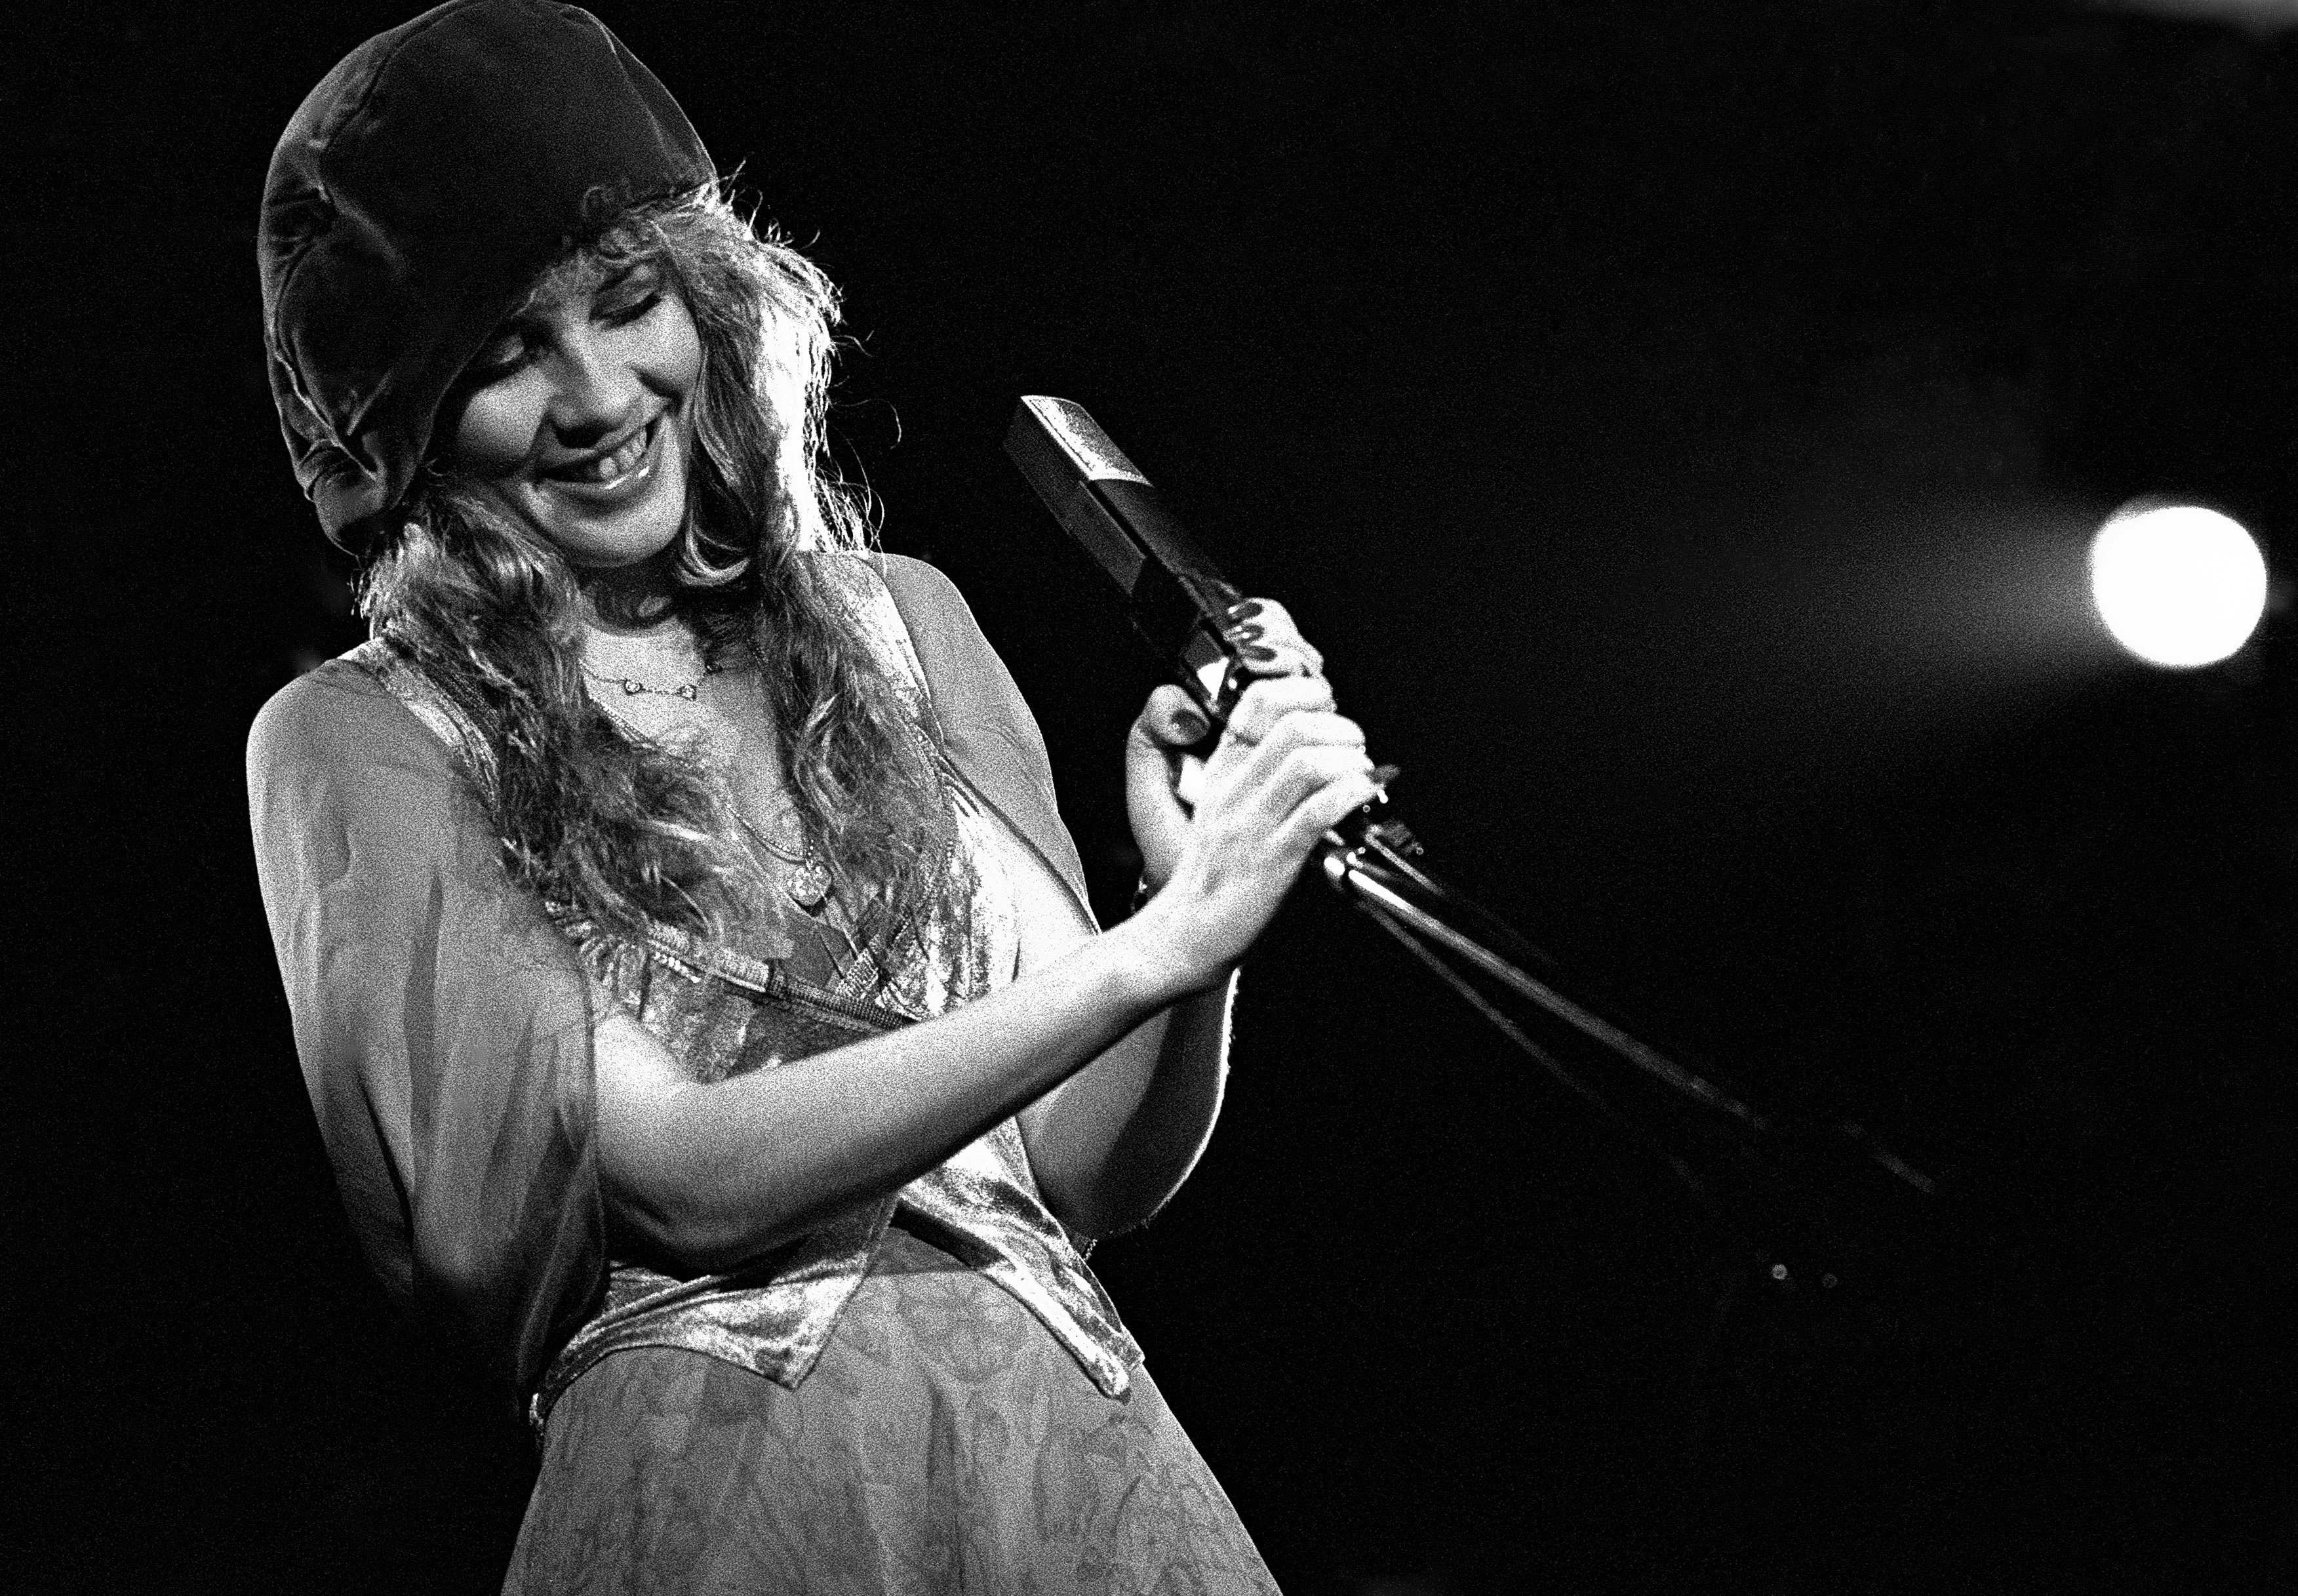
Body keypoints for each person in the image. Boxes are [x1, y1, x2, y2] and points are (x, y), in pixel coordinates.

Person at [247, 3, 1377, 1587]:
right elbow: (676, 1176)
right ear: (402, 433)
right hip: (732, 1495)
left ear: (710, 295)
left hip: (1082, 1483)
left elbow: (1085, 1166)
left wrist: (1203, 915)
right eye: (501, 359)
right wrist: (1160, 946)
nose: (595, 397)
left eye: (629, 302)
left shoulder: (900, 622)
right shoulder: (366, 732)